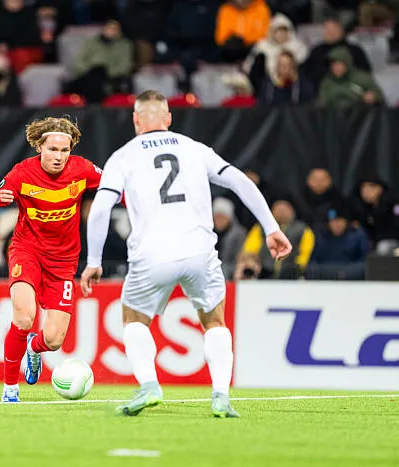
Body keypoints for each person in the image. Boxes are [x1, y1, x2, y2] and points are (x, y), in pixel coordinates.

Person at [80, 90, 292, 418]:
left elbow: (100, 209)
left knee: (134, 319)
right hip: (199, 251)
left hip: (152, 254)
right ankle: (221, 395)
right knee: (215, 321)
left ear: (136, 120)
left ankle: (149, 385)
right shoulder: (194, 148)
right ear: (168, 118)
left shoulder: (122, 157)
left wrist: (94, 261)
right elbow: (239, 181)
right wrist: (271, 228)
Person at [0, 117, 107, 403]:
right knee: (24, 316)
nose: (59, 156)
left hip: (64, 262)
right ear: (39, 147)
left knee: (54, 339)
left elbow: (114, 188)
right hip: (27, 251)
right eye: (53, 150)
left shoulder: (83, 169)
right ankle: (10, 388)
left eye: (64, 150)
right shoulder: (22, 173)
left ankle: (33, 349)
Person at [240, 197, 314, 279]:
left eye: (285, 210)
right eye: (278, 209)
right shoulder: (261, 227)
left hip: (291, 274)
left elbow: (305, 253)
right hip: (264, 273)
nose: (281, 212)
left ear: (292, 211)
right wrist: (253, 262)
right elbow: (250, 249)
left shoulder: (303, 230)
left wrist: (297, 268)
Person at [319, 46, 384, 107]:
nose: (335, 67)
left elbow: (381, 99)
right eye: (332, 65)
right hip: (335, 116)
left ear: (347, 63)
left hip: (360, 116)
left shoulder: (362, 78)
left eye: (338, 64)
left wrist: (373, 98)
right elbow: (322, 102)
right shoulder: (327, 82)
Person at [212, 197, 247, 280]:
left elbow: (238, 259)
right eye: (216, 216)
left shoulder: (239, 234)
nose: (219, 220)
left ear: (229, 218)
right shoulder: (207, 233)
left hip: (229, 273)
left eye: (222, 216)